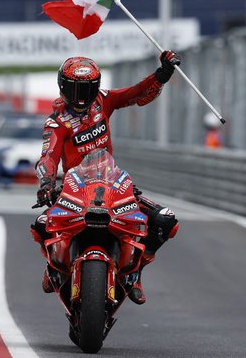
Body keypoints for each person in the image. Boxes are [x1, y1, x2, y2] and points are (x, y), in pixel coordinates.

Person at [31, 51, 181, 305]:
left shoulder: (104, 101)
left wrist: (162, 75)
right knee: (42, 223)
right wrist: (46, 183)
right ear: (63, 87)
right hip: (74, 188)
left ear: (96, 88)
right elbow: (48, 156)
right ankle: (54, 269)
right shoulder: (56, 123)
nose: (81, 98)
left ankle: (134, 272)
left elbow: (135, 94)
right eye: (75, 90)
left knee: (165, 220)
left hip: (111, 182)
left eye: (87, 90)